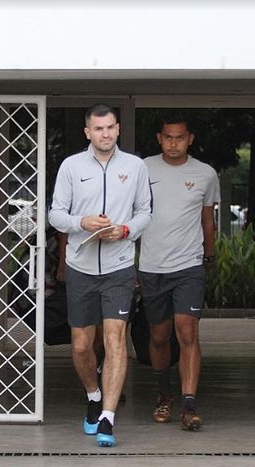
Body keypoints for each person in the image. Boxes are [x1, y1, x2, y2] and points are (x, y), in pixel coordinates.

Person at [48, 104, 152, 447]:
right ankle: (93, 394)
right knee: (80, 345)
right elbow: (56, 215)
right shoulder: (71, 167)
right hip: (80, 267)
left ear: (118, 129)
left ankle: (107, 417)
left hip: (119, 267)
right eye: (98, 129)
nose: (105, 134)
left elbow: (144, 214)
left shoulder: (135, 167)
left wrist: (124, 230)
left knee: (115, 339)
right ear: (87, 132)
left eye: (110, 128)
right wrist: (83, 222)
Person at [138, 116, 219, 431]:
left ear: (190, 139)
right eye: (168, 137)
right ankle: (164, 392)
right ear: (159, 138)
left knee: (187, 331)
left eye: (180, 137)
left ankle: (189, 405)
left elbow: (207, 220)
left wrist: (208, 257)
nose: (174, 143)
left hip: (189, 265)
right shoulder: (142, 169)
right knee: (159, 337)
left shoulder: (205, 174)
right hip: (151, 267)